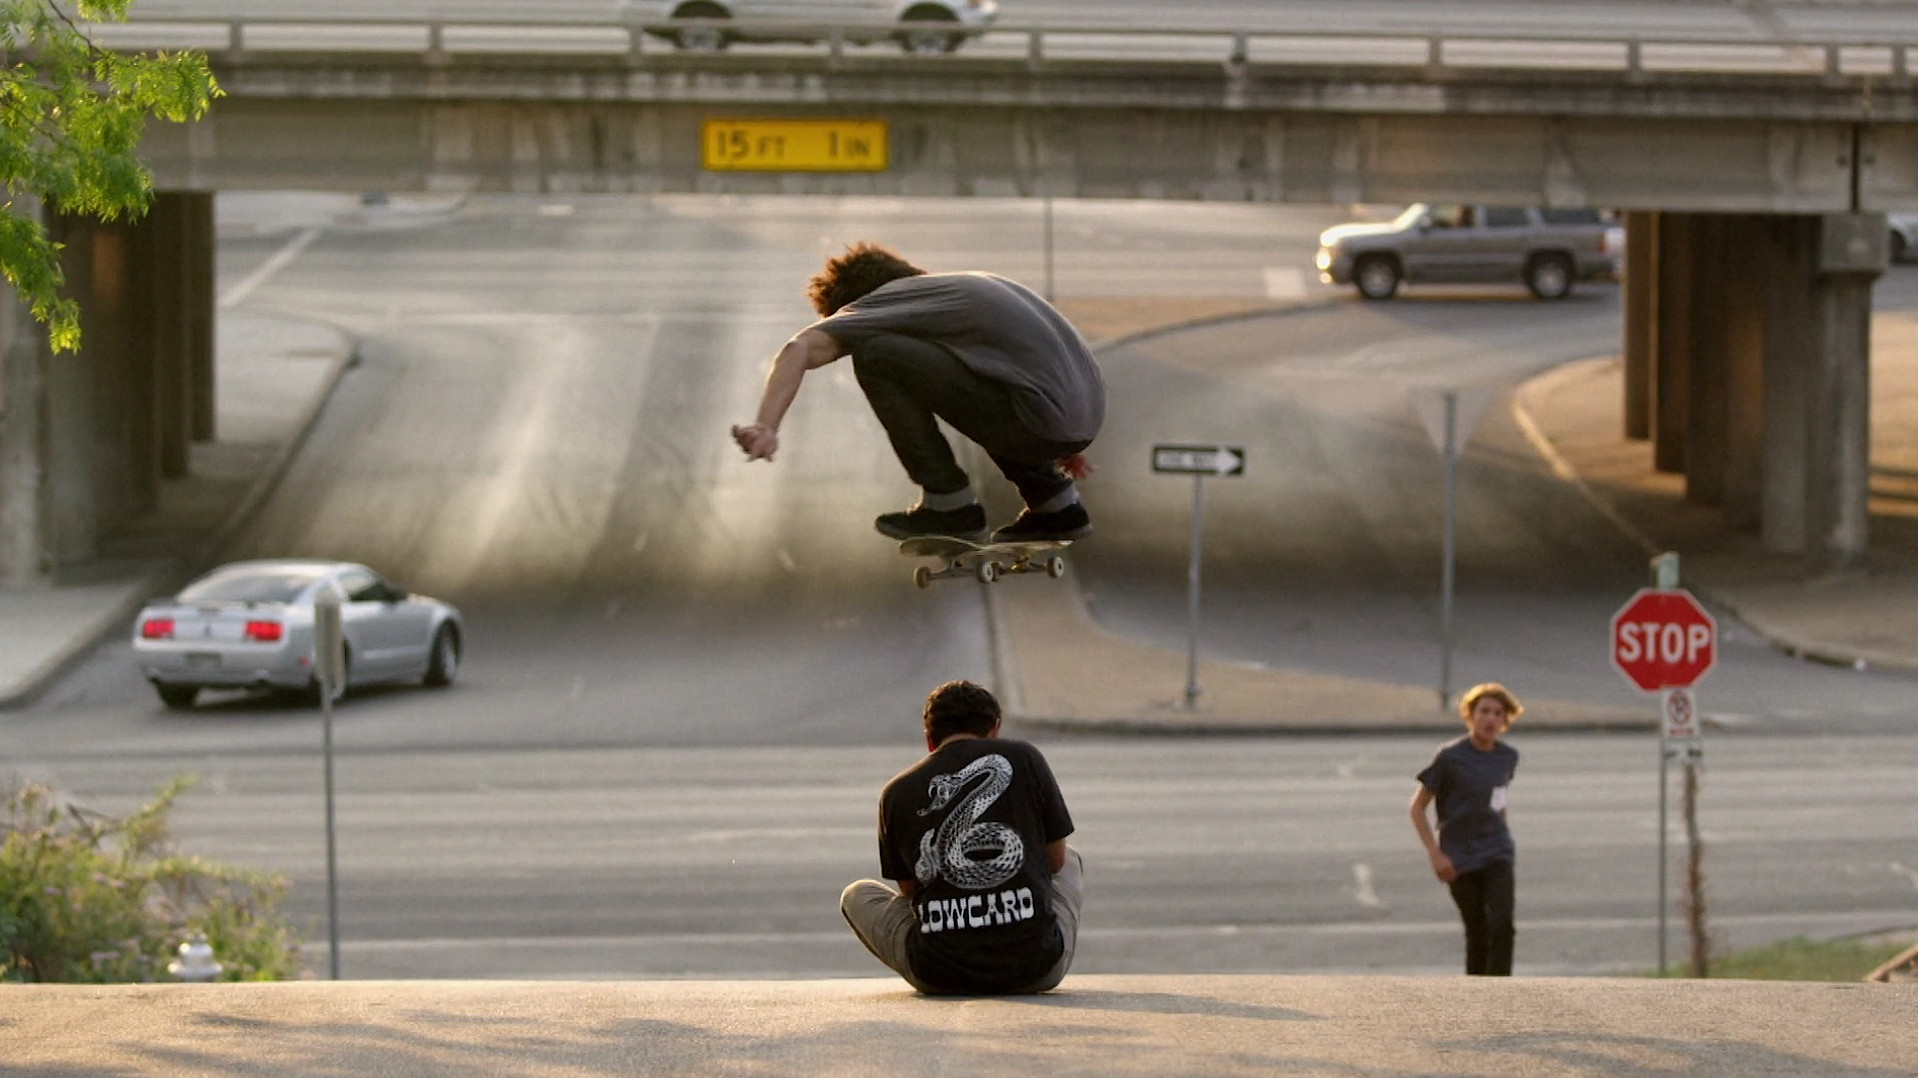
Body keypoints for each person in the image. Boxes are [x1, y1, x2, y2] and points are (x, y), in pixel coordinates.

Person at [730, 243, 1105, 543]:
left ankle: (949, 503)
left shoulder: (885, 299)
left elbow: (801, 349)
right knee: (970, 372)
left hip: (1042, 419)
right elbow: (1022, 358)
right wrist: (1064, 440)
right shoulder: (966, 286)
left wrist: (767, 426)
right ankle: (1057, 506)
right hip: (1077, 415)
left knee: (878, 354)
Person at [840, 679, 1082, 994]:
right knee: (1071, 857)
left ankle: (943, 951)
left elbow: (911, 890)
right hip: (1037, 970)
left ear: (930, 739)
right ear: (995, 729)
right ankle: (1026, 937)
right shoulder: (1024, 757)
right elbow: (1055, 861)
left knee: (856, 895)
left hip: (940, 976)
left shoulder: (896, 792)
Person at [1410, 682, 1521, 976]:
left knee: (1503, 925)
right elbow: (1417, 807)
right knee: (1478, 932)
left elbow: (1499, 800)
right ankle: (1476, 1000)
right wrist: (1435, 854)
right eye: (1484, 711)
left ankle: (1501, 996)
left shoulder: (1507, 757)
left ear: (1505, 720)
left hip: (1497, 852)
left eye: (1498, 713)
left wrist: (1502, 833)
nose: (1491, 719)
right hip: (1459, 857)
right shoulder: (1450, 758)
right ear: (1470, 715)